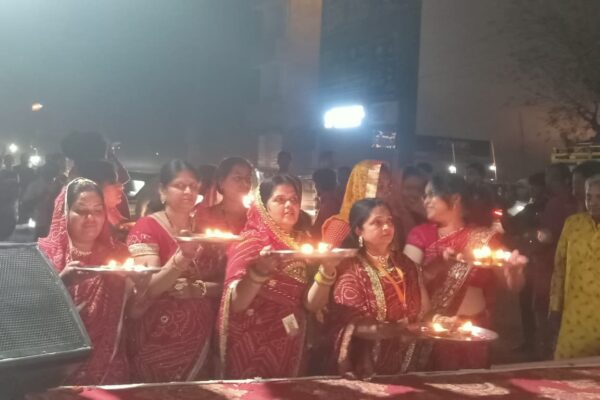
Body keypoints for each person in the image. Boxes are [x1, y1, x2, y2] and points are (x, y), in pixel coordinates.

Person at [217, 175, 339, 379]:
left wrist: (327, 270)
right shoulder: (251, 243)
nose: (289, 205)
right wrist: (259, 272)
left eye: (294, 200)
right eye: (280, 200)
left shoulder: (304, 245)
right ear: (264, 206)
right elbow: (235, 304)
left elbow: (311, 305)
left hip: (292, 342)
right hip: (252, 343)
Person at [404, 173, 526, 370]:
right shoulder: (421, 234)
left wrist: (514, 272)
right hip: (434, 330)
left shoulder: (483, 237)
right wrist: (439, 265)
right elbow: (406, 282)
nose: (425, 201)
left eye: (431, 194)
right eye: (425, 196)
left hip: (473, 332)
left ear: (455, 199)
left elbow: (513, 286)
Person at [127, 160, 221, 382]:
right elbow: (148, 287)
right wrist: (181, 259)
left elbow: (225, 283)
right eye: (180, 186)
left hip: (200, 337)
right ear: (162, 191)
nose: (188, 191)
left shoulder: (205, 229)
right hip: (158, 337)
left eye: (193, 186)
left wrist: (199, 289)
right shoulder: (148, 227)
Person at [38, 178, 130, 385]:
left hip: (109, 369)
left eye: (98, 211)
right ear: (65, 213)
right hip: (56, 368)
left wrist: (138, 286)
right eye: (81, 211)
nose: (91, 218)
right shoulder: (43, 255)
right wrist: (62, 283)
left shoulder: (118, 254)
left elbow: (135, 311)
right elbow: (29, 313)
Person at [329, 198, 428, 378]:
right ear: (359, 230)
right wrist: (398, 330)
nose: (387, 227)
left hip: (408, 360)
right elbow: (352, 324)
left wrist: (439, 323)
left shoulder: (406, 264)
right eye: (377, 222)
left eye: (389, 221)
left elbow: (424, 310)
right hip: (367, 365)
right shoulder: (351, 268)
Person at [549, 175, 600, 360]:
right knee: (568, 368)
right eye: (589, 197)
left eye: (599, 197)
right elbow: (559, 268)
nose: (593, 202)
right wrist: (555, 307)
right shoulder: (573, 224)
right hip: (575, 317)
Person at [534, 164, 576, 359]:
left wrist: (534, 236)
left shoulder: (555, 203)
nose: (547, 181)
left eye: (550, 177)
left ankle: (548, 349)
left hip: (550, 265)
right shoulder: (575, 202)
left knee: (546, 309)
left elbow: (548, 236)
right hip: (569, 266)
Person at [322, 160, 392, 247]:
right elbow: (328, 256)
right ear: (361, 187)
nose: (387, 192)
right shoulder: (341, 227)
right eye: (380, 186)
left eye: (389, 186)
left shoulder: (388, 224)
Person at [195, 157, 253, 234]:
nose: (245, 184)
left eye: (248, 179)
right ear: (221, 182)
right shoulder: (206, 215)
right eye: (237, 178)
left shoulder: (254, 217)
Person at [310, 168, 341, 240]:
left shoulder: (330, 203)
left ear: (320, 184)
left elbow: (327, 229)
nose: (314, 187)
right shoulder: (332, 199)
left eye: (315, 183)